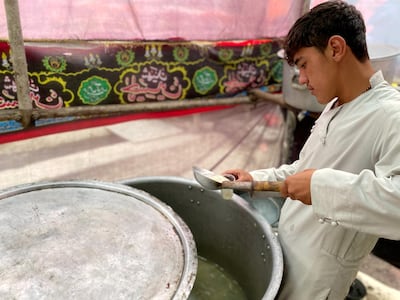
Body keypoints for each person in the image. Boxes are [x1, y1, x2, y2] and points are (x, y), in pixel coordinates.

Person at [224, 1, 400, 299]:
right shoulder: (335, 107)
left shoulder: (390, 114)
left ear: (335, 48)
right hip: (289, 255)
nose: (302, 80)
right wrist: (254, 180)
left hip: (318, 283)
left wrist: (320, 186)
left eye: (304, 64)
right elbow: (302, 169)